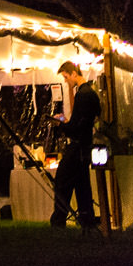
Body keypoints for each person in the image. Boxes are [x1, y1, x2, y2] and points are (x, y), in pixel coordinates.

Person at [51, 60, 102, 229]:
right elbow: (85, 121)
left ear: (74, 73)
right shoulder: (91, 94)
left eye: (66, 77)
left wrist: (61, 125)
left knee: (62, 180)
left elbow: (78, 128)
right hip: (85, 146)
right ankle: (87, 220)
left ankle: (59, 220)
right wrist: (67, 122)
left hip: (78, 146)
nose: (66, 81)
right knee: (82, 184)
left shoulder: (82, 94)